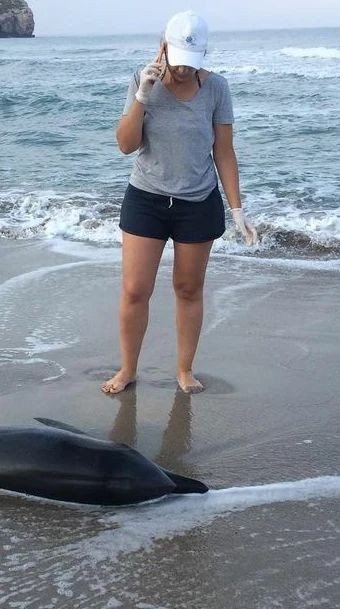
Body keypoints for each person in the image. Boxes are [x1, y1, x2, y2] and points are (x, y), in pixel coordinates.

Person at [101, 10, 257, 395]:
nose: (184, 70)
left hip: (197, 202)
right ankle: (127, 369)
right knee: (135, 290)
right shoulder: (141, 79)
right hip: (146, 198)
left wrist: (237, 209)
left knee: (188, 289)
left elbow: (224, 151)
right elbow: (125, 145)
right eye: (178, 61)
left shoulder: (217, 88)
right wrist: (143, 96)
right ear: (163, 48)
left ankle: (184, 370)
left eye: (192, 63)